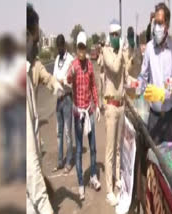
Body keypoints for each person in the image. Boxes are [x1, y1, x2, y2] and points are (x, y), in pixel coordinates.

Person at [26, 4, 63, 214]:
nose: (38, 43)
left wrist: (57, 85)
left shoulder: (32, 66)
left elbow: (46, 77)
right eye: (36, 38)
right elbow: (31, 167)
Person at [138, 2, 172, 143]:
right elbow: (143, 76)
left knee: (169, 161)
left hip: (170, 117)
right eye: (155, 22)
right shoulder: (149, 48)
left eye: (160, 23)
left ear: (167, 25)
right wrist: (136, 87)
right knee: (153, 158)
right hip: (154, 117)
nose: (157, 27)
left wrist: (163, 94)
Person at [65, 31, 101, 200]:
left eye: (83, 47)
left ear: (86, 47)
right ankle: (81, 184)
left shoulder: (90, 65)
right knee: (79, 150)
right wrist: (67, 78)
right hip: (78, 114)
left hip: (90, 111)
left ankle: (93, 176)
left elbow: (93, 85)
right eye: (79, 47)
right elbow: (67, 80)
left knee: (93, 147)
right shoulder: (73, 66)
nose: (81, 50)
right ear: (76, 47)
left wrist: (97, 105)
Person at [0, 35, 26, 183]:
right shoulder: (0, 64)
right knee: (6, 143)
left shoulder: (20, 63)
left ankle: (21, 173)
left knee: (20, 141)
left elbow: (22, 87)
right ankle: (7, 173)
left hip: (17, 107)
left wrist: (12, 89)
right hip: (4, 108)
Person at [101, 19, 126, 206]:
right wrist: (120, 52)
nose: (117, 37)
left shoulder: (121, 53)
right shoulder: (107, 52)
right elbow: (115, 67)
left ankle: (117, 178)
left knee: (118, 147)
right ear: (110, 36)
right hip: (110, 106)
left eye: (119, 34)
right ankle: (109, 189)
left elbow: (127, 73)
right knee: (110, 150)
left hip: (122, 104)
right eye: (114, 34)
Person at [52, 34, 74, 174]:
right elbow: (54, 76)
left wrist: (63, 81)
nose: (59, 49)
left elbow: (72, 81)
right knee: (59, 133)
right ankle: (60, 162)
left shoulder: (70, 60)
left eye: (61, 47)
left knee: (67, 133)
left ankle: (68, 162)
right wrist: (55, 81)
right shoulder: (56, 59)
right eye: (57, 47)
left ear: (64, 46)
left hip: (67, 99)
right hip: (58, 100)